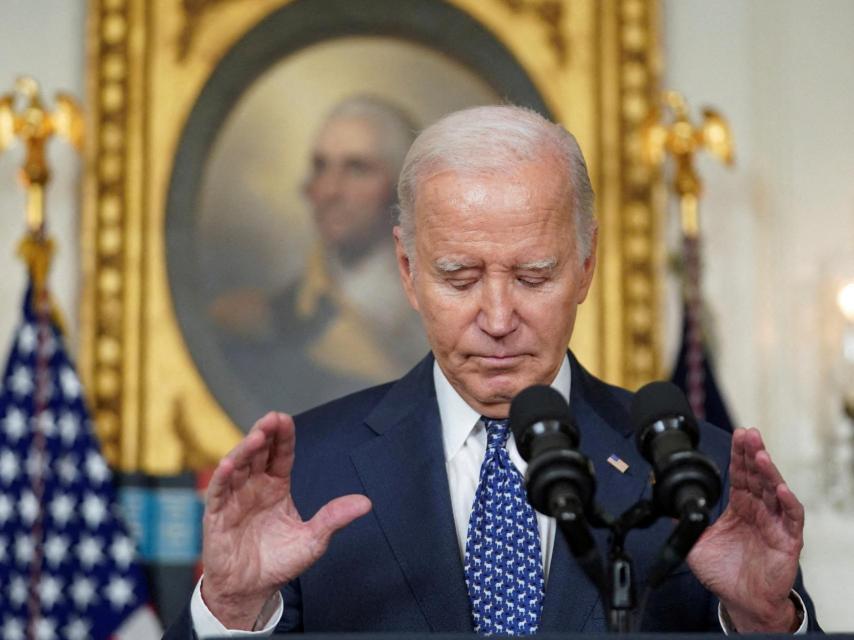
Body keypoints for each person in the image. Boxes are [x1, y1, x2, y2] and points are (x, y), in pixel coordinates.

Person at [167, 105, 819, 636]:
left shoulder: (693, 470)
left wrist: (766, 620)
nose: (499, 316)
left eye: (534, 276)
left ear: (586, 267)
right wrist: (230, 609)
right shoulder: (307, 472)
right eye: (460, 277)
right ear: (408, 271)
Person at [210, 95, 428, 417]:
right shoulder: (268, 320)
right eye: (320, 167)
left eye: (357, 169)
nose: (329, 190)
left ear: (402, 187)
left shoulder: (445, 307)